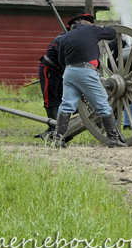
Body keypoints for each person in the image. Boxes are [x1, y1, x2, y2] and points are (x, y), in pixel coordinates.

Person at [52, 13, 126, 148]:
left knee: (66, 105)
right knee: (103, 104)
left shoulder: (64, 37)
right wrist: (100, 28)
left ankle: (58, 138)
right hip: (87, 71)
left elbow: (61, 60)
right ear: (86, 23)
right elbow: (113, 33)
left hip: (69, 72)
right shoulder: (91, 29)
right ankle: (113, 138)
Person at [37, 27, 68, 135]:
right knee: (50, 99)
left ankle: (61, 127)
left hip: (61, 71)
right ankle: (53, 127)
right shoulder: (61, 38)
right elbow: (61, 56)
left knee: (61, 99)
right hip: (50, 69)